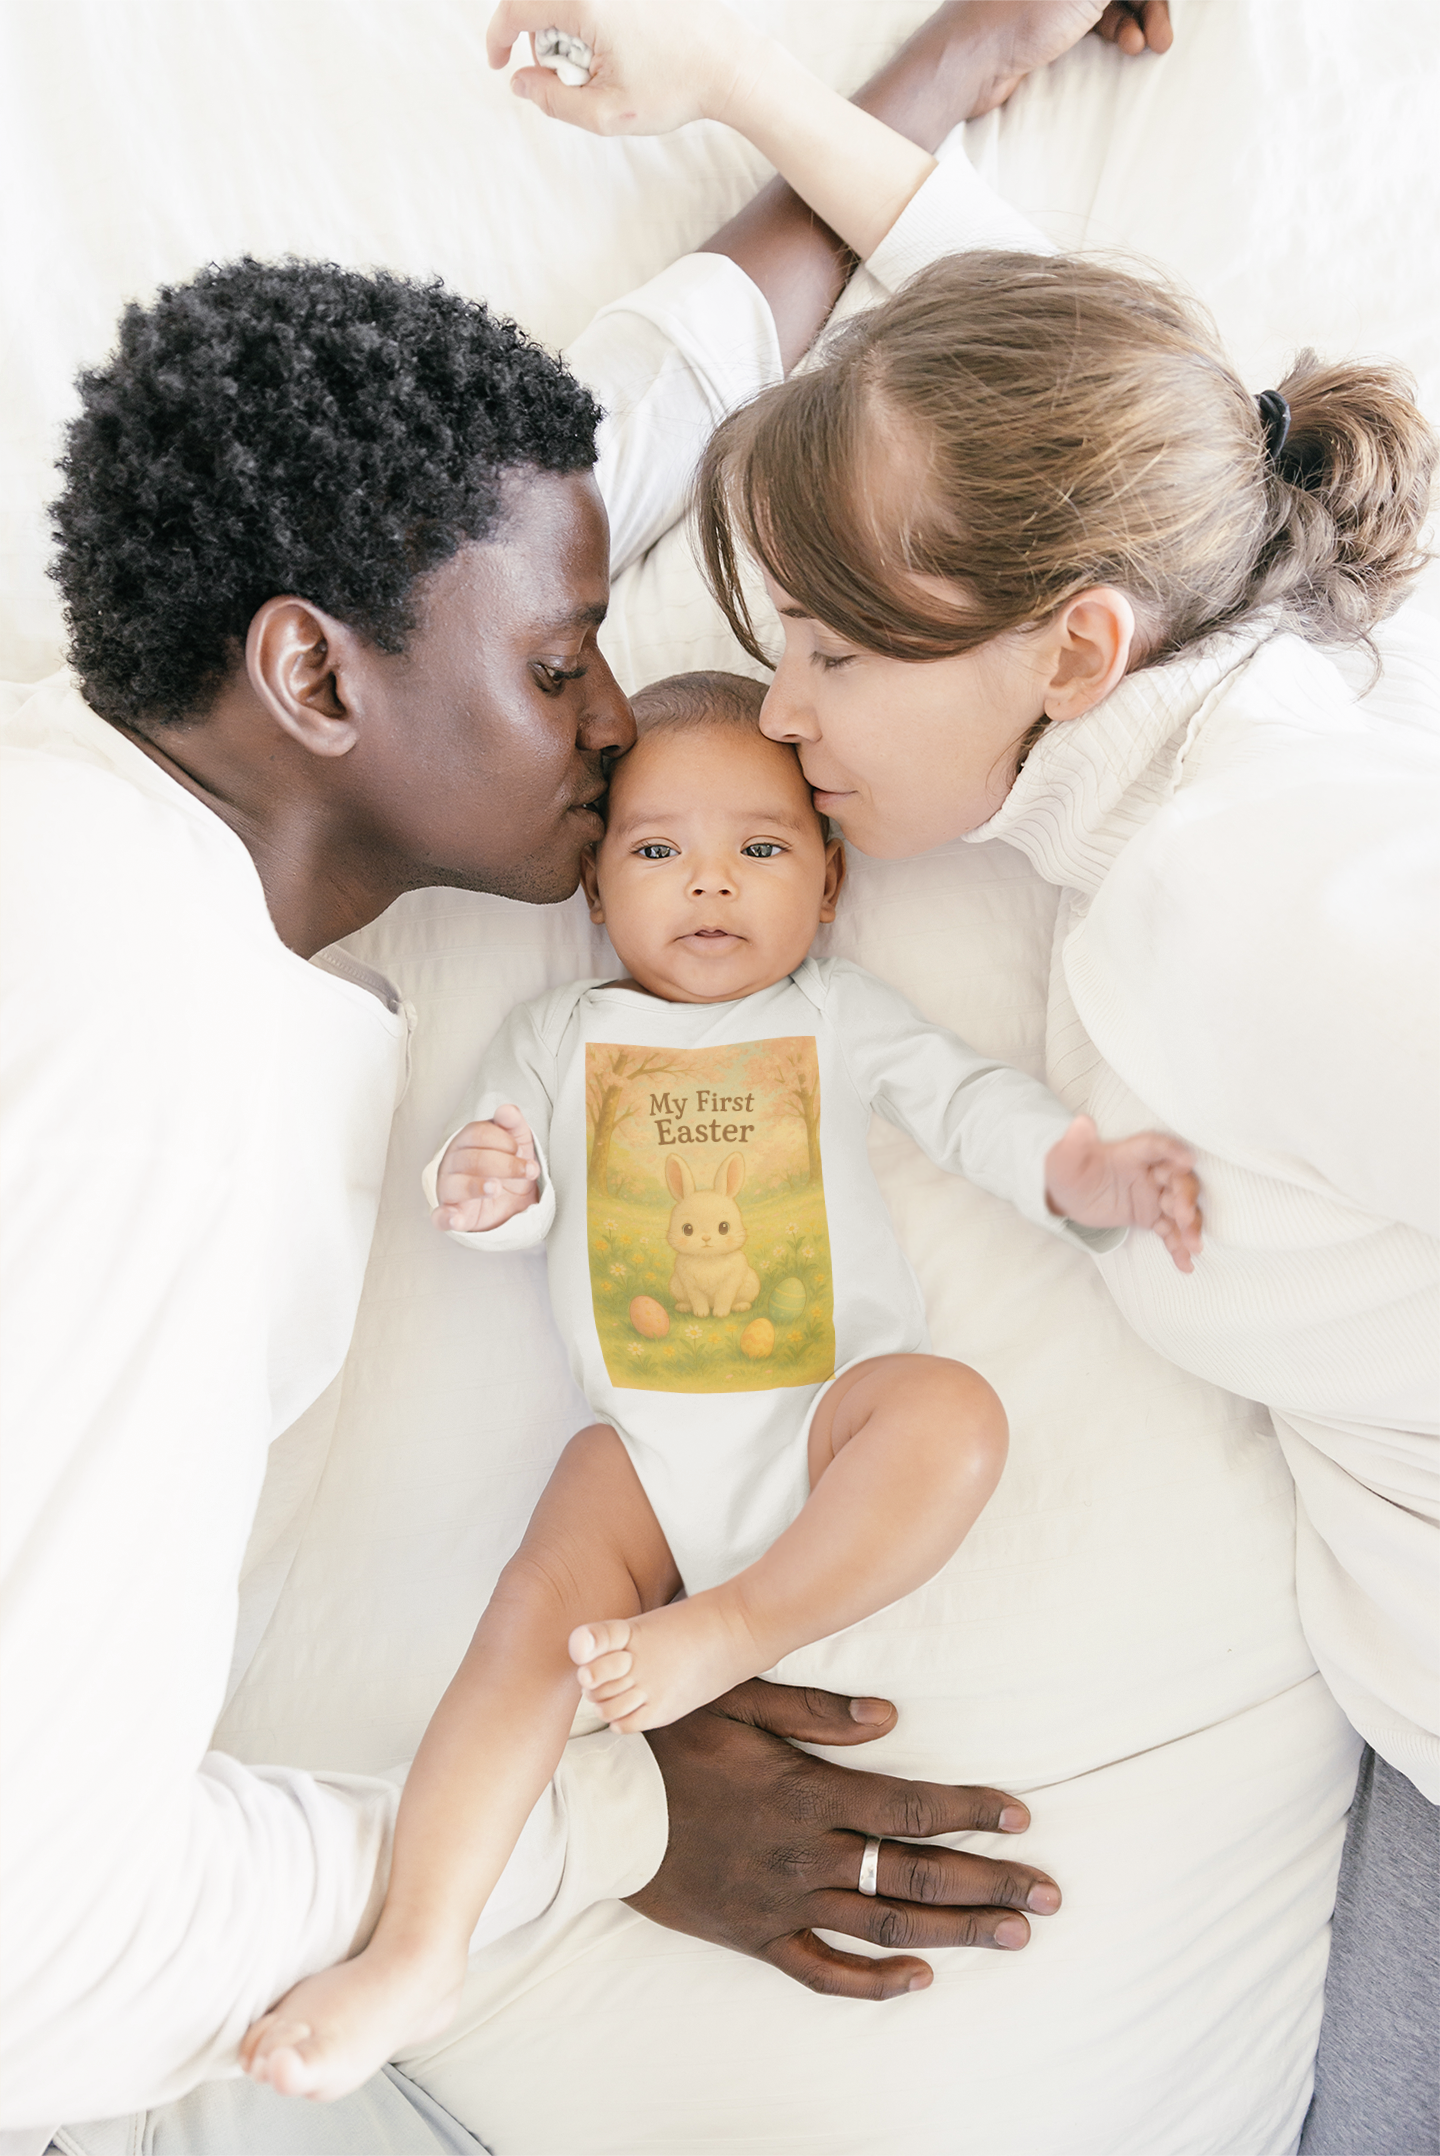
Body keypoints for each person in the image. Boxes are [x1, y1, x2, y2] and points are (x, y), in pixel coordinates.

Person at [2, 5, 1179, 2147]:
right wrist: (605, 1822)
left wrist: (944, 70)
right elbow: (37, 1962)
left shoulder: (122, 805)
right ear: (310, 671)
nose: (631, 719)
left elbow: (615, 429)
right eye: (567, 669)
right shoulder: (153, 1077)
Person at [494, 9, 1440, 2148]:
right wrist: (733, 88)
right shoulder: (1249, 644)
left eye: (834, 652)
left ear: (1077, 647)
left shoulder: (1239, 896)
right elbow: (1003, 354)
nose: (778, 714)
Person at [238, 673, 1202, 2099]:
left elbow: (964, 1102)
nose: (709, 881)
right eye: (656, 849)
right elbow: (499, 1185)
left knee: (951, 1414)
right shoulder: (557, 1039)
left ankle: (732, 1627)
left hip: (826, 1417)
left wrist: (1081, 1171)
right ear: (594, 892)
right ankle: (421, 1945)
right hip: (640, 1448)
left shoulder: (835, 1014)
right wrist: (486, 1187)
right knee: (525, 1630)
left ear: (829, 884)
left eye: (759, 847)